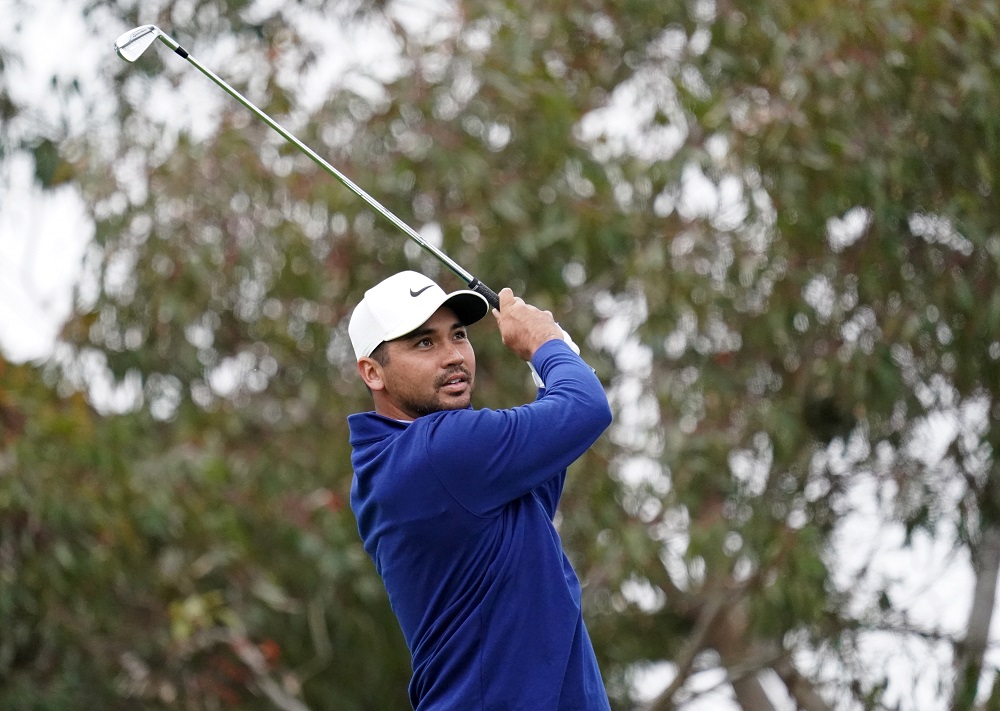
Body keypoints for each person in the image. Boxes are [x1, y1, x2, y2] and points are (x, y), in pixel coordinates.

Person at [346, 270, 613, 710]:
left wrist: (554, 356)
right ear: (373, 372)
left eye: (459, 335)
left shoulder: (409, 464)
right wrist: (545, 343)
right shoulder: (438, 452)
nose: (453, 356)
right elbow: (585, 408)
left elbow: (543, 479)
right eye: (424, 343)